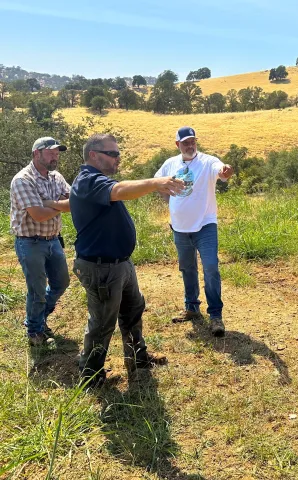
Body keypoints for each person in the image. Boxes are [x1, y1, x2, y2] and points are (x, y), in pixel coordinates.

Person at [69, 133, 185, 386]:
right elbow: (120, 190)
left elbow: (120, 191)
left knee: (133, 310)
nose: (117, 158)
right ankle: (90, 376)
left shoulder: (97, 181)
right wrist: (156, 182)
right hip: (101, 267)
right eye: (112, 153)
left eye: (118, 153)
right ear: (93, 155)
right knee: (102, 323)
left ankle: (137, 358)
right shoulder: (88, 180)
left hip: (119, 263)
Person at [155, 126, 234, 337]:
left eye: (193, 141)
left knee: (211, 268)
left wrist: (225, 171)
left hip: (205, 225)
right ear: (177, 145)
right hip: (179, 227)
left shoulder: (207, 161)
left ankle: (215, 315)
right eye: (186, 142)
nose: (190, 145)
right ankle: (191, 308)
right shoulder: (170, 163)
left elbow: (220, 169)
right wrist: (169, 200)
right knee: (187, 268)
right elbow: (157, 182)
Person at [10, 137, 71, 346]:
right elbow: (38, 214)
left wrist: (51, 203)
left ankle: (37, 319)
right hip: (30, 242)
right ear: (37, 153)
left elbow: (74, 202)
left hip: (53, 240)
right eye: (51, 152)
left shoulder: (56, 177)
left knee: (62, 282)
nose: (56, 156)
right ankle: (35, 331)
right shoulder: (23, 179)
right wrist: (60, 205)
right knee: (37, 289)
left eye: (57, 153)